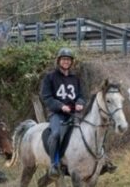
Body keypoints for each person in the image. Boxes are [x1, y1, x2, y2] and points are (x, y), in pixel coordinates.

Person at [41, 48, 87, 179]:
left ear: (71, 62)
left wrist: (80, 103)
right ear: (58, 61)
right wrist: (61, 106)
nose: (66, 61)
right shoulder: (50, 77)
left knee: (92, 128)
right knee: (56, 134)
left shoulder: (75, 78)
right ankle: (54, 164)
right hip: (57, 114)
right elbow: (47, 97)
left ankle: (100, 160)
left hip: (74, 113)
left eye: (68, 59)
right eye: (63, 59)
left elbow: (81, 95)